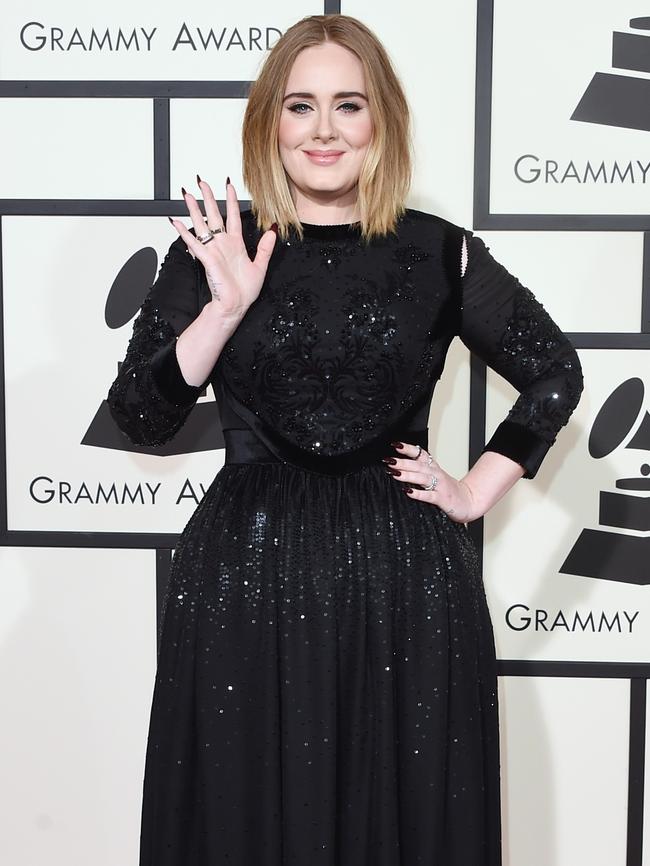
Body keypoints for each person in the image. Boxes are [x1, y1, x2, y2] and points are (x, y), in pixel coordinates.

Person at [107, 13, 584, 866]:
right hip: (243, 579)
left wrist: (475, 490)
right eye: (300, 106)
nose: (323, 130)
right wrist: (222, 309)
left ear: (382, 122)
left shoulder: (443, 254)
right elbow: (142, 418)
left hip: (406, 577)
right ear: (270, 122)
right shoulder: (213, 251)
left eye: (348, 105)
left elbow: (554, 372)